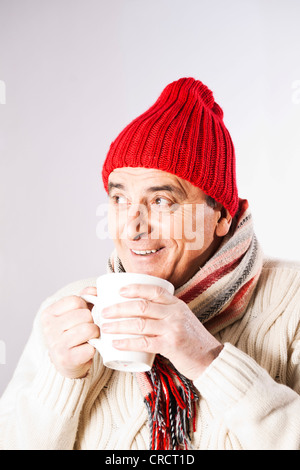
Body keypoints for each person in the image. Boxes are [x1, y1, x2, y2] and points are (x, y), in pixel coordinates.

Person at [0, 77, 299, 450]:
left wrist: (208, 359)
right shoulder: (66, 313)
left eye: (161, 201)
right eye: (120, 200)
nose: (133, 227)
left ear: (222, 214)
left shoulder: (292, 302)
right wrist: (61, 379)